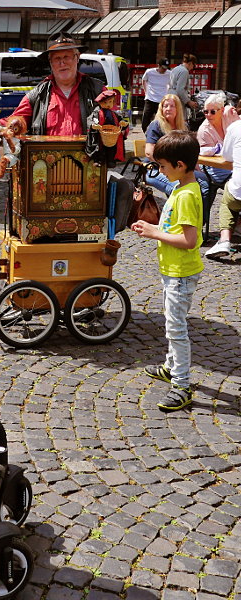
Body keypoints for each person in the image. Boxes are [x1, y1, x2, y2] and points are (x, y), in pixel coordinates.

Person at [132, 131, 203, 412]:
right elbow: (175, 229)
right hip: (173, 270)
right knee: (171, 322)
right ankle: (171, 367)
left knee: (176, 328)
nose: (159, 171)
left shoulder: (186, 195)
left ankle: (182, 385)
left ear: (180, 165)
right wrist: (155, 229)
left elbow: (188, 240)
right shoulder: (181, 188)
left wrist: (153, 233)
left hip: (180, 272)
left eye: (163, 166)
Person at [0, 34, 104, 137]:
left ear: (77, 58)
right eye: (57, 58)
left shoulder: (97, 90)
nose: (62, 63)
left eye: (67, 57)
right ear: (50, 63)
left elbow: (113, 120)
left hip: (88, 160)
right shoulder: (37, 95)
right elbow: (17, 121)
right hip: (47, 162)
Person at [206, 104, 241, 258]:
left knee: (228, 199)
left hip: (238, 193)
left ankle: (224, 240)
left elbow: (226, 156)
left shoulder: (235, 127)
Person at [144, 94, 190, 197]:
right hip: (155, 169)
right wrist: (168, 168)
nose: (168, 109)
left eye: (172, 106)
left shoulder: (184, 127)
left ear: (178, 108)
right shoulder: (156, 125)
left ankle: (200, 213)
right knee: (179, 188)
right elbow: (149, 152)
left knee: (205, 182)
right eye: (165, 106)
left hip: (178, 169)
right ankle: (173, 212)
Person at [195, 92, 237, 190]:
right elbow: (212, 160)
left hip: (233, 162)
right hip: (215, 167)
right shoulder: (204, 131)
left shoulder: (228, 115)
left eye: (212, 112)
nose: (208, 115)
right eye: (205, 112)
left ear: (221, 110)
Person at [141, 58, 171, 134]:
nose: (164, 70)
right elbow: (144, 80)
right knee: (145, 121)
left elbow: (171, 84)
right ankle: (148, 135)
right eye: (163, 68)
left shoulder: (169, 73)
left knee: (162, 121)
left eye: (166, 68)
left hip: (162, 100)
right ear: (158, 66)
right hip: (150, 99)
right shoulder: (149, 72)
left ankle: (161, 136)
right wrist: (146, 91)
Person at [167, 53, 198, 121]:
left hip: (170, 96)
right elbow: (180, 89)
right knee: (180, 120)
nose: (192, 68)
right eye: (193, 65)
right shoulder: (184, 71)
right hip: (177, 99)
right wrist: (188, 101)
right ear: (190, 63)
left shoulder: (175, 69)